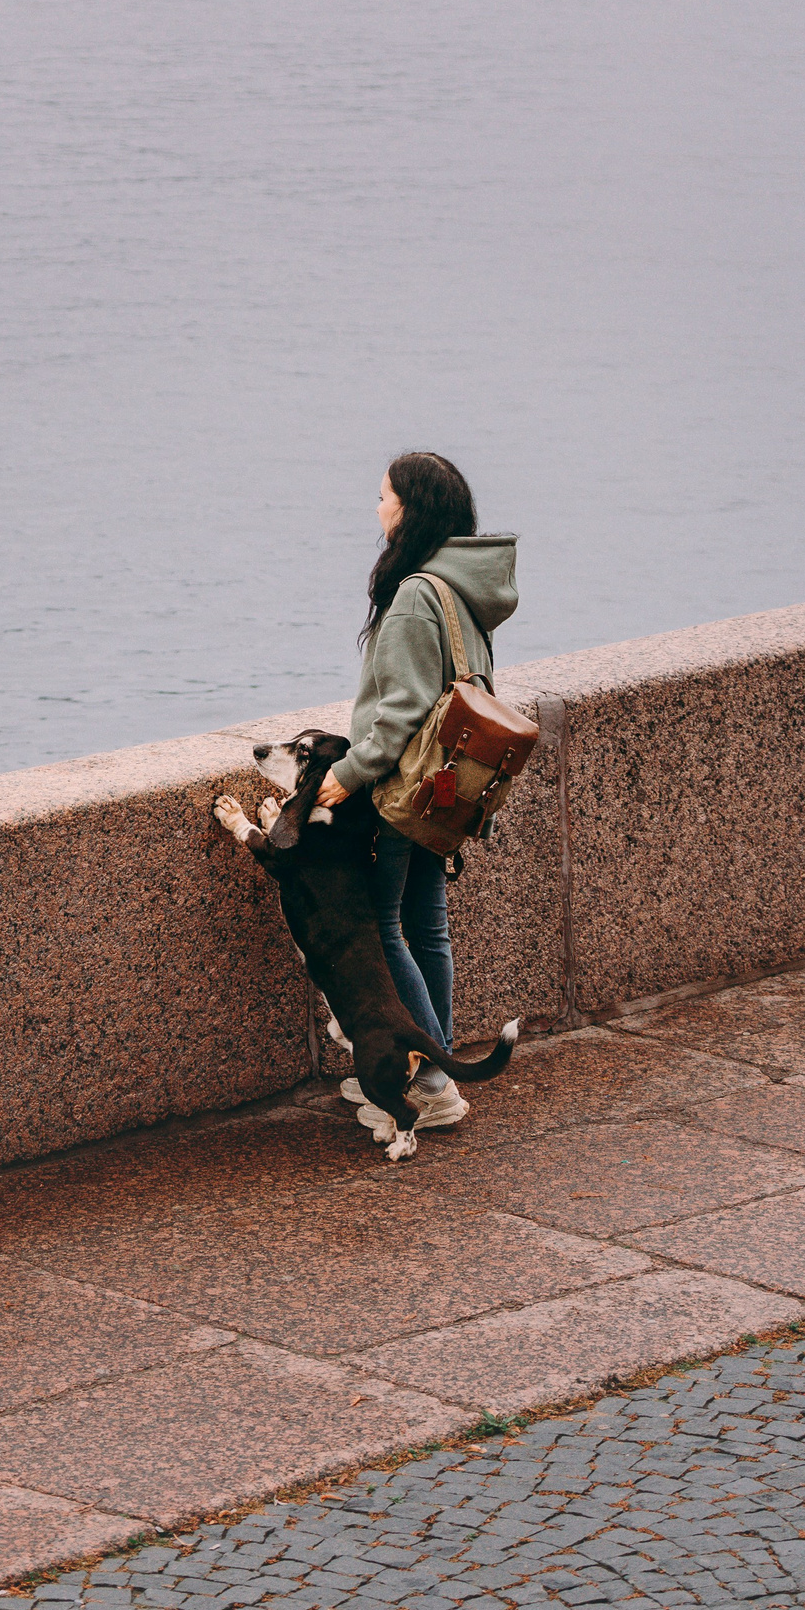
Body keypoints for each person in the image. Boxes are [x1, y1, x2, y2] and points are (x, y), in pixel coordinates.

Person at [313, 451, 517, 1138]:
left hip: (405, 790)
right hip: (450, 793)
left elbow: (399, 709)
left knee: (388, 928)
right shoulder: (462, 591)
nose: (377, 509)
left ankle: (431, 1079)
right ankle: (430, 1064)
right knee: (429, 927)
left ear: (410, 509)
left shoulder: (411, 598)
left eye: (383, 497)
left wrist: (349, 772)